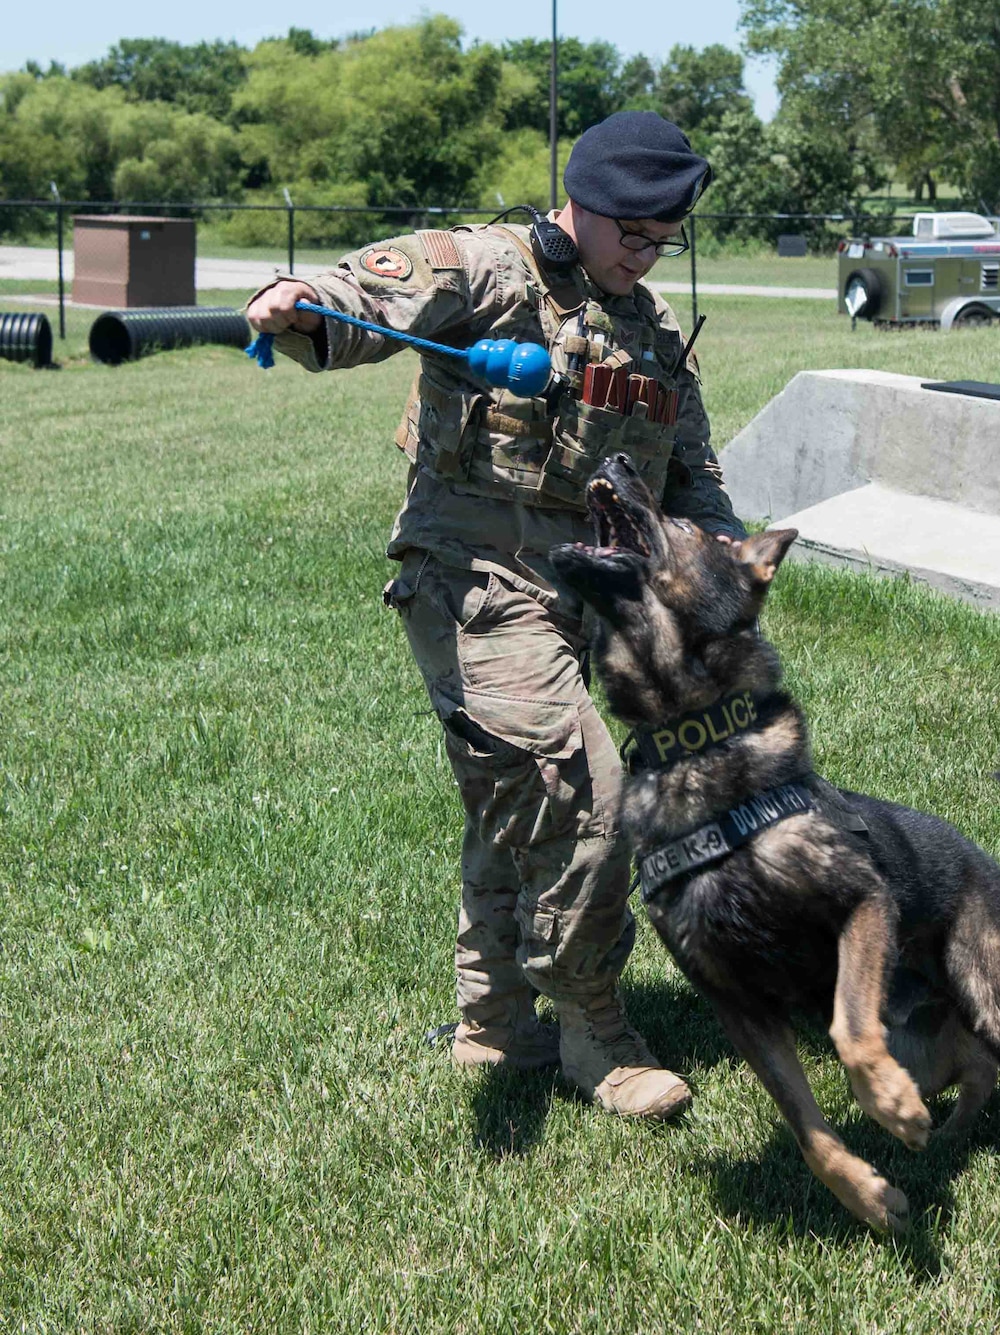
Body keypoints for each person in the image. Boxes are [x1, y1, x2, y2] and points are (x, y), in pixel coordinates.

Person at [245, 111, 744, 1120]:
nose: (645, 258)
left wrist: (717, 547)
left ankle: (496, 1022)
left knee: (516, 794)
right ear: (583, 205)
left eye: (662, 241)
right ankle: (592, 1028)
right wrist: (301, 305)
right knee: (585, 791)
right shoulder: (487, 267)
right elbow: (361, 294)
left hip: (577, 594)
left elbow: (689, 470)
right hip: (469, 574)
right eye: (633, 236)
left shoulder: (645, 333)